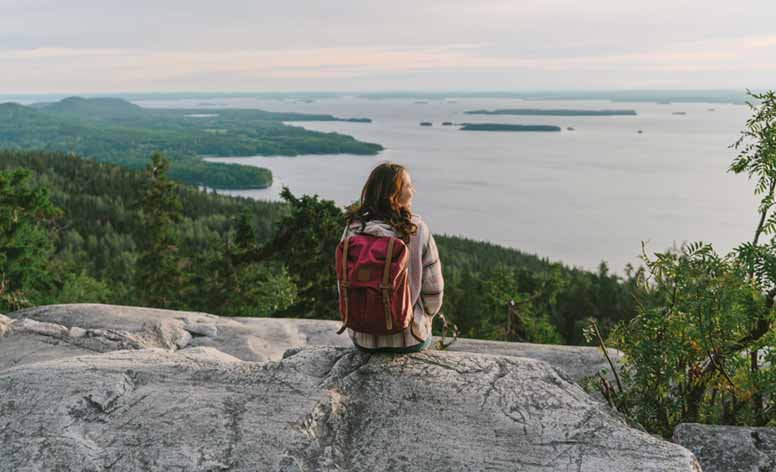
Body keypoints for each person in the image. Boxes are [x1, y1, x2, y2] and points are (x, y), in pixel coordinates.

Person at [341, 162, 444, 353]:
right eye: (408, 186)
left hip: (363, 339)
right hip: (409, 339)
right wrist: (424, 318)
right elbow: (434, 294)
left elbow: (344, 283)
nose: (413, 190)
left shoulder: (352, 229)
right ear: (394, 195)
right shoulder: (417, 230)